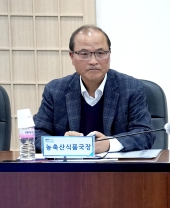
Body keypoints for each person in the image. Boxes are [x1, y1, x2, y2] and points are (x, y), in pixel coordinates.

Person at [33, 25, 153, 154]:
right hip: (71, 166)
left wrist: (109, 144)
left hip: (116, 166)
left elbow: (145, 134)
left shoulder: (131, 88)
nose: (93, 61)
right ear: (72, 57)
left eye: (100, 53)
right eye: (84, 54)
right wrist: (63, 143)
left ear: (109, 54)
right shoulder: (55, 90)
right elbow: (34, 134)